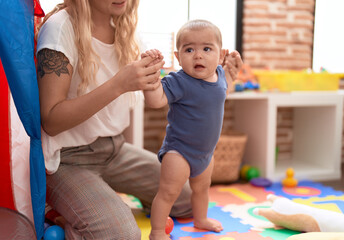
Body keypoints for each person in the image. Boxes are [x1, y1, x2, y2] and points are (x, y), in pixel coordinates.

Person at [35, 0, 195, 239]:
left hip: (114, 149)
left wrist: (216, 76)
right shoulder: (61, 27)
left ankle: (97, 203)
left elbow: (156, 94)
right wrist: (119, 84)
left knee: (186, 196)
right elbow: (51, 120)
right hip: (66, 159)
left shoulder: (124, 29)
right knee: (122, 234)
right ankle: (57, 212)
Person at [141, 19, 243, 240]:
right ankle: (157, 231)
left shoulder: (220, 75)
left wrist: (232, 68)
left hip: (206, 152)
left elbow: (223, 93)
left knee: (202, 189)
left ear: (220, 53)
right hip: (179, 151)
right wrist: (149, 79)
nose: (198, 55)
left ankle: (201, 219)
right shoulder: (179, 81)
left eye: (207, 48)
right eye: (189, 49)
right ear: (178, 57)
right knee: (168, 192)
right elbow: (156, 101)